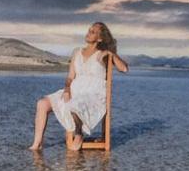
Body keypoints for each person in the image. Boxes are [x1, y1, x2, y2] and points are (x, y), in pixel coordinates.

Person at [29, 21, 130, 152]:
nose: (88, 33)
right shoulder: (77, 52)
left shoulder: (102, 54)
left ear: (99, 38)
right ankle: (37, 144)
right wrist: (66, 90)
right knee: (42, 103)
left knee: (74, 104)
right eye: (89, 30)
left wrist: (112, 53)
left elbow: (124, 69)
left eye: (93, 32)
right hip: (74, 90)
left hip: (93, 95)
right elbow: (70, 77)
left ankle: (78, 133)